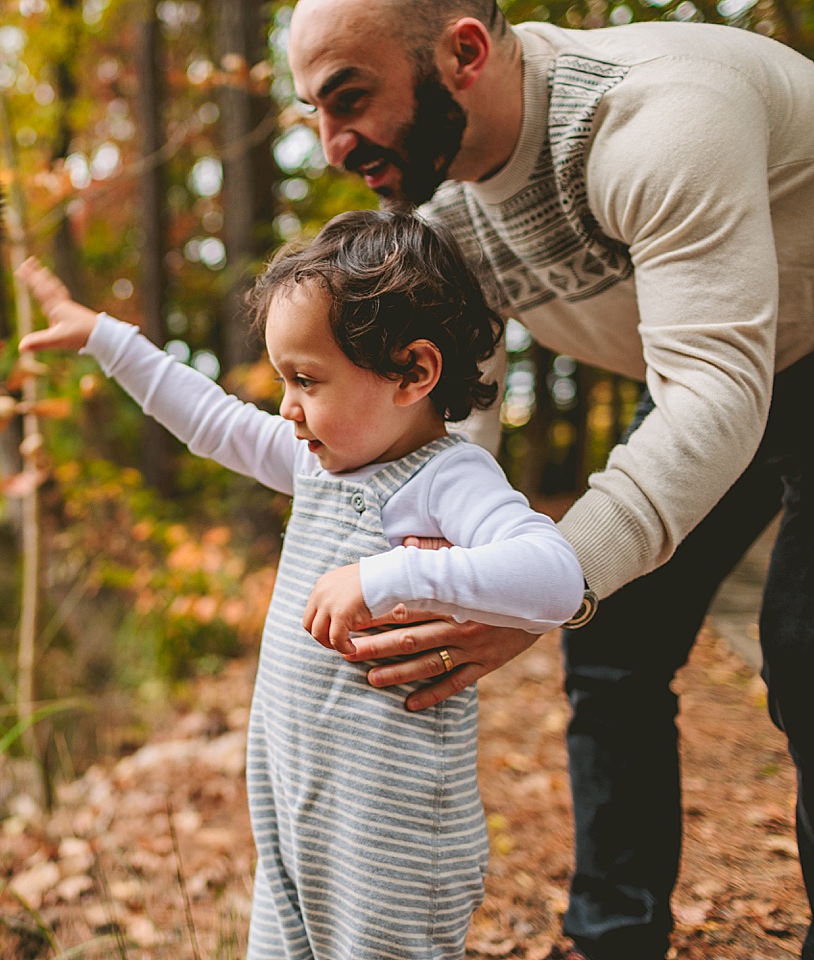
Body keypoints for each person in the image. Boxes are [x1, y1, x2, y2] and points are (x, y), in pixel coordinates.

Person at [284, 1, 814, 957]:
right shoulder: (437, 206)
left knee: (807, 651)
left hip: (742, 365)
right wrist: (453, 555)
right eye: (313, 115)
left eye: (349, 98)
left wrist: (548, 575)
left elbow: (716, 392)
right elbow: (451, 406)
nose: (332, 144)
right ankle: (615, 939)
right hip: (715, 366)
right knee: (612, 643)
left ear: (466, 52)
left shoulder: (659, 116)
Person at [16, 210, 585, 960]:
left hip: (390, 831)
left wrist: (391, 573)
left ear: (412, 372)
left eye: (306, 380)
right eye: (284, 379)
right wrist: (104, 337)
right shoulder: (320, 463)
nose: (286, 406)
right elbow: (212, 420)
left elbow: (556, 575)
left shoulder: (450, 477)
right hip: (295, 800)